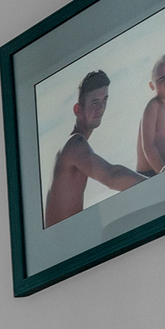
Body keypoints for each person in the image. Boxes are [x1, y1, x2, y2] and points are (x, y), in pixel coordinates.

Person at [45, 69, 145, 225]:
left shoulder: (72, 145)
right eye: (94, 102)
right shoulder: (75, 144)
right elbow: (111, 176)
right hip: (65, 245)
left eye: (104, 100)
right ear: (78, 110)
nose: (101, 108)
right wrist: (154, 184)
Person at [140, 54, 165, 180]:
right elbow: (148, 146)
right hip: (150, 173)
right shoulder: (153, 107)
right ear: (152, 86)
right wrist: (162, 173)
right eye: (161, 79)